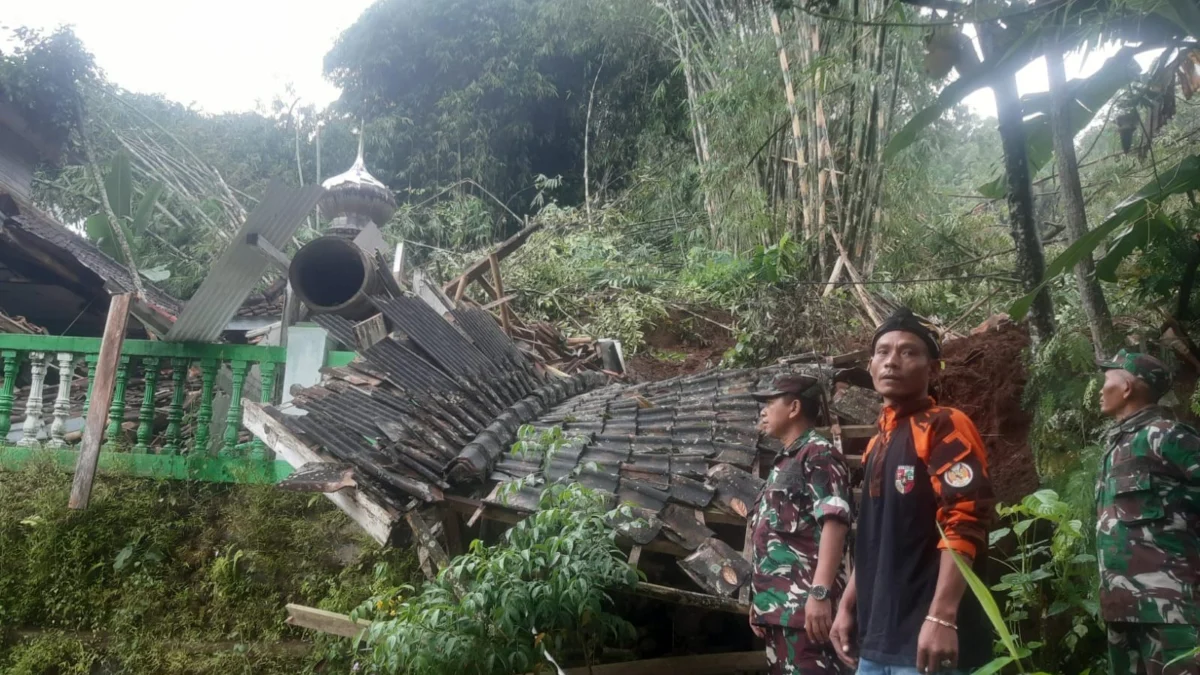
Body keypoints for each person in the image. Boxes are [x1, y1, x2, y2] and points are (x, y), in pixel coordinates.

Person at [829, 307, 995, 675]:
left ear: (933, 368)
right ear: (870, 365)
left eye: (908, 352)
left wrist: (943, 617)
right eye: (883, 352)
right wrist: (847, 606)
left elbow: (965, 520)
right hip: (877, 639)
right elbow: (874, 539)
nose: (892, 361)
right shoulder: (877, 443)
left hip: (926, 642)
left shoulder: (943, 426)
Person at [1095, 349, 1200, 675]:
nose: (1100, 389)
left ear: (1126, 388)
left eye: (1107, 380)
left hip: (1173, 613)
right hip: (1122, 610)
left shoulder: (1169, 437)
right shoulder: (1117, 445)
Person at [749, 373, 854, 675]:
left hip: (807, 614)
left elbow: (835, 522)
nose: (763, 411)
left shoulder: (819, 454)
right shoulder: (785, 460)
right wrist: (759, 600)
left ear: (794, 407)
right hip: (778, 611)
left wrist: (820, 594)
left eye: (770, 402)